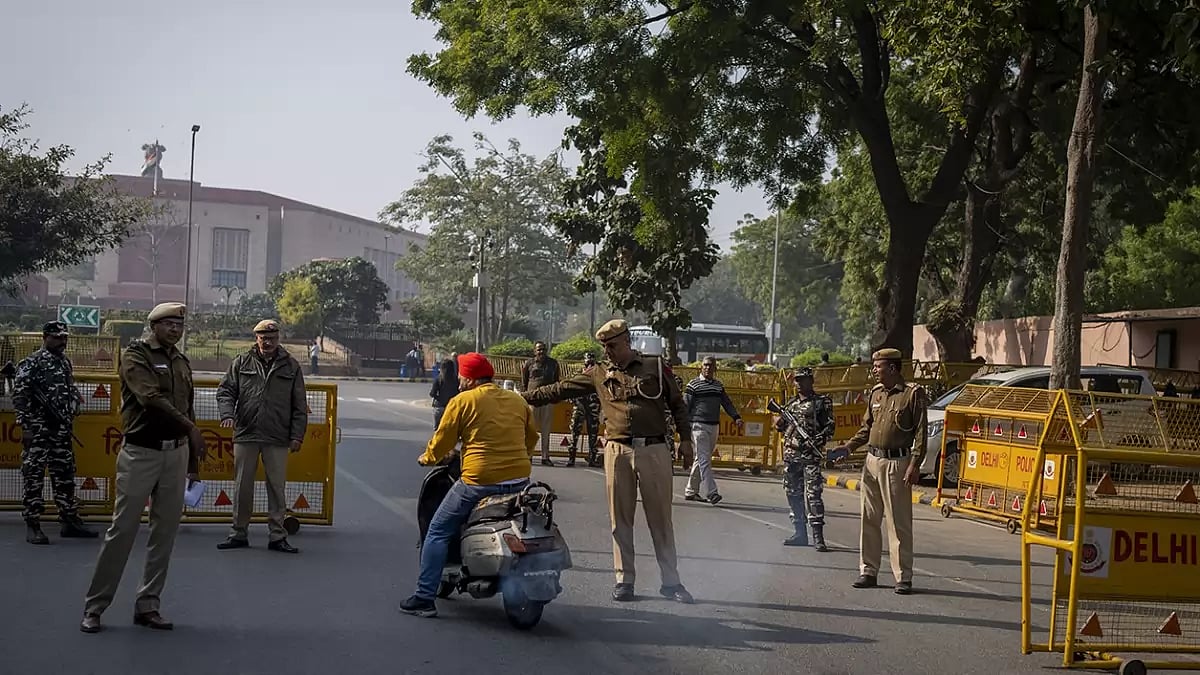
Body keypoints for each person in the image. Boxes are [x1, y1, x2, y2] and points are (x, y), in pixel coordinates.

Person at [522, 319, 695, 604]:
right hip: (617, 451)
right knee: (620, 519)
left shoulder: (654, 366)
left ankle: (671, 582)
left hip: (653, 449)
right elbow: (560, 389)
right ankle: (624, 579)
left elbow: (678, 404)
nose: (608, 352)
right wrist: (520, 397)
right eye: (604, 347)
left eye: (612, 345)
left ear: (626, 341)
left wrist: (686, 440)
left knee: (661, 520)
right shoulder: (598, 373)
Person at [81, 302, 206, 633]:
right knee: (122, 530)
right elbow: (149, 397)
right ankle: (95, 606)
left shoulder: (181, 361)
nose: (175, 330)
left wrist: (193, 462)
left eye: (179, 325)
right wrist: (190, 428)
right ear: (154, 326)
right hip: (141, 452)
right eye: (169, 324)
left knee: (164, 534)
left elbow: (187, 408)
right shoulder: (136, 355)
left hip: (175, 453)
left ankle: (148, 604)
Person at [399, 353, 538, 618]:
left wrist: (427, 458)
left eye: (462, 376)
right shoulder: (517, 400)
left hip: (478, 481)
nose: (459, 380)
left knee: (437, 531)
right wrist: (519, 458)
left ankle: (424, 598)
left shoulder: (462, 401)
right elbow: (531, 437)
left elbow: (442, 440)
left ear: (469, 379)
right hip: (520, 481)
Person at [832, 348, 928, 595]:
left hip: (897, 463)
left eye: (878, 366)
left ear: (893, 368)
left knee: (898, 523)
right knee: (869, 518)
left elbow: (921, 433)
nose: (874, 370)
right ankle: (868, 571)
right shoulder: (876, 393)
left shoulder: (912, 394)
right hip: (872, 461)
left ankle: (903, 576)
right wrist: (849, 446)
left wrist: (915, 464)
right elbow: (867, 428)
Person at [214, 319, 308, 554]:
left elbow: (299, 405)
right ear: (256, 338)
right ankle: (238, 533)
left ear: (279, 339)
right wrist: (227, 414)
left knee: (276, 487)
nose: (268, 342)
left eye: (272, 338)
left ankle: (277, 536)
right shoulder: (241, 362)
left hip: (277, 435)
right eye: (264, 338)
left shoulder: (291, 366)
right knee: (242, 486)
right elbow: (226, 391)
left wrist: (297, 435)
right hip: (246, 432)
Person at [12, 321, 96, 544]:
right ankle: (33, 524)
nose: (62, 341)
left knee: (65, 475)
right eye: (57, 337)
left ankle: (69, 520)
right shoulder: (32, 363)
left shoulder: (64, 362)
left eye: (64, 337)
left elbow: (68, 389)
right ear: (45, 337)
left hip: (61, 429)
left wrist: (73, 402)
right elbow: (20, 397)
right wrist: (26, 427)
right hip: (38, 429)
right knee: (34, 477)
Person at [775, 367, 835, 551]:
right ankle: (799, 533)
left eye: (804, 379)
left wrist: (816, 441)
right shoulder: (791, 404)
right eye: (797, 380)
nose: (800, 383)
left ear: (811, 381)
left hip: (810, 457)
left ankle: (818, 536)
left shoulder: (821, 402)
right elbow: (781, 427)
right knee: (793, 494)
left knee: (813, 495)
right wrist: (779, 423)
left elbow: (830, 428)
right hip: (792, 457)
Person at [683, 356, 743, 505]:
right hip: (698, 425)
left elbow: (726, 403)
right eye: (705, 365)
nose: (708, 368)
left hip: (714, 426)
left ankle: (691, 491)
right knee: (704, 459)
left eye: (711, 365)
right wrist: (683, 427)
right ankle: (712, 492)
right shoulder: (693, 385)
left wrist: (736, 417)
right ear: (701, 367)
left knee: (701, 458)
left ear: (715, 368)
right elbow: (685, 406)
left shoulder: (718, 386)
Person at [521, 340, 561, 466]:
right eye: (539, 349)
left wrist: (555, 397)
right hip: (533, 401)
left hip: (547, 400)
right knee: (530, 430)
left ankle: (545, 457)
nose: (541, 352)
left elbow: (556, 381)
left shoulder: (553, 364)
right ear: (534, 351)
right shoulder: (529, 364)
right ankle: (529, 455)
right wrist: (525, 397)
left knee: (546, 430)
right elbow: (524, 382)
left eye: (543, 349)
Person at [568, 353, 601, 467]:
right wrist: (573, 399)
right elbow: (571, 386)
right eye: (588, 359)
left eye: (592, 359)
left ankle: (592, 458)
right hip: (580, 405)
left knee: (593, 432)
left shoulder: (598, 373)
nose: (590, 361)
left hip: (593, 405)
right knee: (575, 431)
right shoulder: (578, 372)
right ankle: (571, 458)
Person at [429, 358, 459, 429]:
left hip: (440, 407)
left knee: (437, 429)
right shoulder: (456, 380)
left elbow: (432, 393)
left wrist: (439, 398)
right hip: (453, 408)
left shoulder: (438, 379)